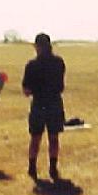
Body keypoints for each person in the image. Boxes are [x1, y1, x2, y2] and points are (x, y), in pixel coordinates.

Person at [22, 33, 66, 181]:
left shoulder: (32, 65)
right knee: (54, 138)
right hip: (54, 103)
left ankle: (32, 167)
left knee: (35, 137)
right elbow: (61, 86)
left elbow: (26, 91)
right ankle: (53, 168)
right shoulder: (59, 63)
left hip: (39, 104)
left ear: (38, 47)